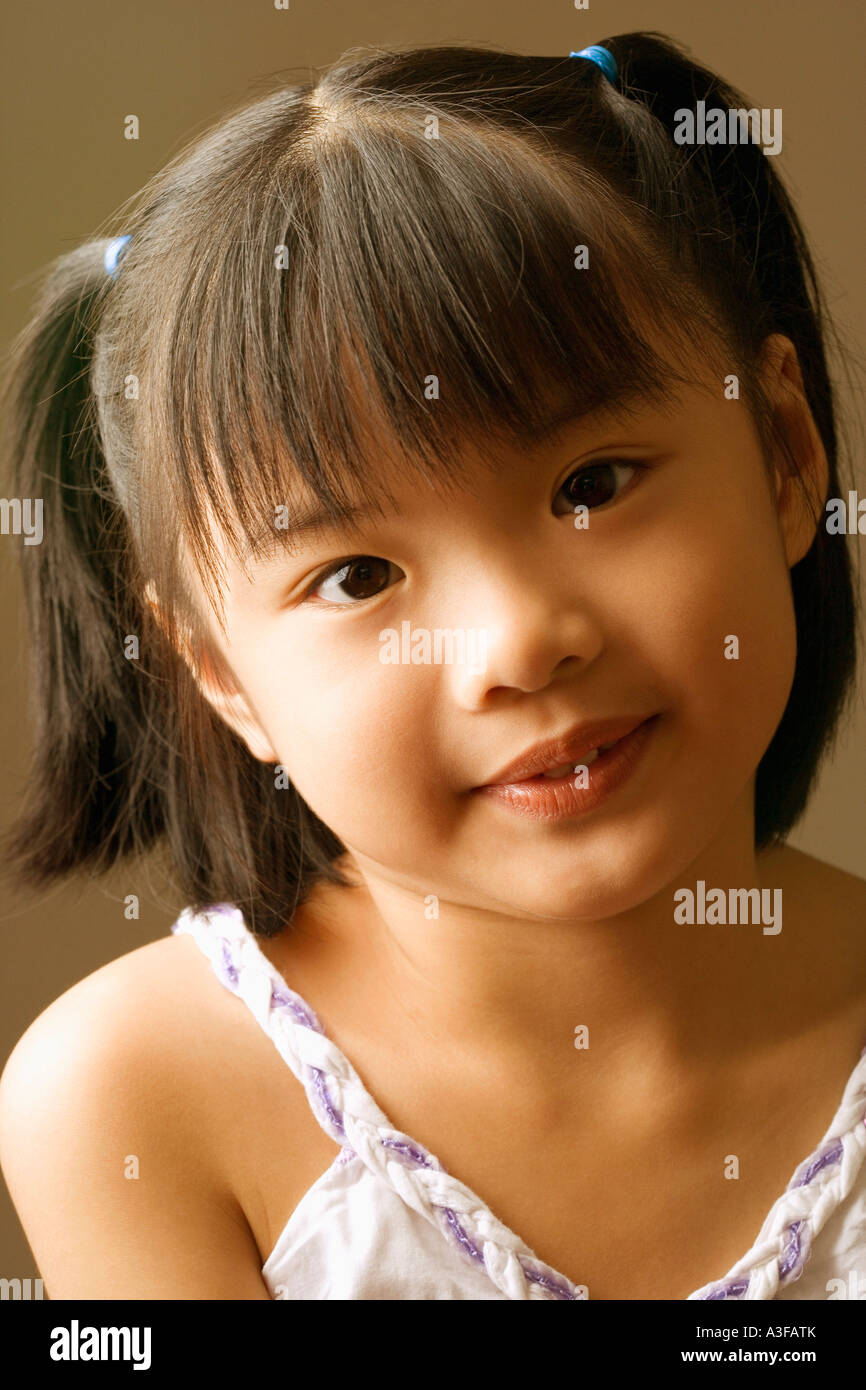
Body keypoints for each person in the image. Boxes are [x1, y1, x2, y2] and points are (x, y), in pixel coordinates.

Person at [1, 32, 865, 1302]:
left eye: (591, 485)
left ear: (784, 454)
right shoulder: (136, 1095)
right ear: (220, 676)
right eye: (354, 576)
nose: (517, 641)